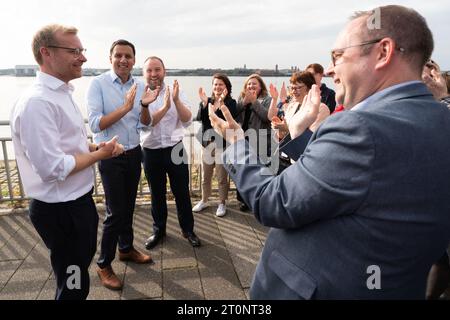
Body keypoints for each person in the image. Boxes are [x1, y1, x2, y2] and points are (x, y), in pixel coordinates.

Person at [209, 5, 450, 299]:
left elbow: (273, 201)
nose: (332, 70)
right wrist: (301, 133)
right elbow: (357, 178)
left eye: (338, 56)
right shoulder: (441, 118)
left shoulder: (360, 127)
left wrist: (235, 140)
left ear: (383, 52)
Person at [10, 24, 124, 300]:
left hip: (76, 203)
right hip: (61, 210)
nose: (83, 57)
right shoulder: (37, 102)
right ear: (46, 53)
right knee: (72, 281)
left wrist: (96, 146)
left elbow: (67, 144)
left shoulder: (60, 94)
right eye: (74, 51)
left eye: (81, 50)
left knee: (77, 270)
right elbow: (52, 168)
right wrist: (100, 155)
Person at [86, 40, 153, 291]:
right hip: (110, 155)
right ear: (110, 58)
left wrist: (144, 106)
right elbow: (95, 125)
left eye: (128, 56)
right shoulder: (98, 84)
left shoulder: (139, 85)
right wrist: (126, 107)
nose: (123, 60)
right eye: (118, 55)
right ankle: (104, 263)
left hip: (135, 152)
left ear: (134, 60)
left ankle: (125, 249)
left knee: (129, 207)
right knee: (115, 212)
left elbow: (146, 124)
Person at [140, 56, 201, 249]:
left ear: (164, 71)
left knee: (182, 192)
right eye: (149, 70)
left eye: (157, 69)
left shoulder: (177, 91)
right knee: (156, 193)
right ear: (144, 74)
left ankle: (188, 230)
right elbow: (144, 124)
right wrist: (159, 106)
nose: (153, 74)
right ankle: (159, 230)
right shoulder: (139, 95)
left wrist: (175, 100)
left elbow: (187, 120)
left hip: (175, 148)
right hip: (151, 151)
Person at [192, 73, 237, 217]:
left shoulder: (231, 103)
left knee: (222, 177)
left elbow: (228, 122)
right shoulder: (207, 101)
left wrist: (221, 103)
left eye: (221, 84)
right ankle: (204, 200)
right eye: (215, 84)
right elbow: (201, 119)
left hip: (222, 147)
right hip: (207, 145)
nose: (217, 87)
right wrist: (205, 104)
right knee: (206, 176)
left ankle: (222, 203)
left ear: (226, 87)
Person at [235, 74, 273, 211]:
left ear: (260, 86)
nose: (251, 86)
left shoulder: (267, 100)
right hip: (242, 139)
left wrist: (254, 102)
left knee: (258, 172)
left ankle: (259, 199)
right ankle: (243, 200)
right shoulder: (241, 98)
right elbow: (234, 114)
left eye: (254, 84)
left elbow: (266, 117)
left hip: (260, 140)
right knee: (242, 171)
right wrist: (244, 103)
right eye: (249, 84)